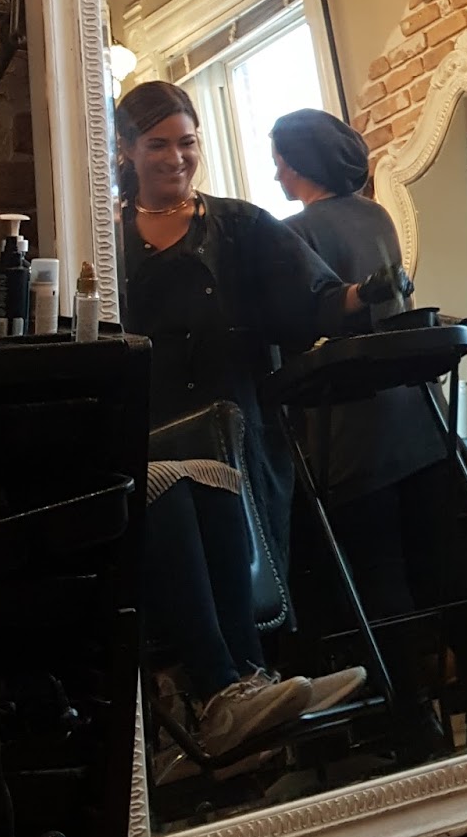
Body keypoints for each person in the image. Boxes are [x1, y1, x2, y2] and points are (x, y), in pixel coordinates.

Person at [117, 81, 374, 770]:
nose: (177, 158)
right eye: (159, 144)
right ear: (126, 149)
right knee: (173, 514)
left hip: (236, 427)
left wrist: (362, 296)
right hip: (150, 433)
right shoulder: (105, 240)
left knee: (239, 533)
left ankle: (251, 684)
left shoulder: (239, 225)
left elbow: (311, 299)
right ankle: (222, 694)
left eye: (188, 143)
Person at [271, 107, 467, 751]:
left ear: (300, 163)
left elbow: (302, 332)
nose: (276, 173)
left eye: (280, 161)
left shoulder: (293, 233)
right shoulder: (377, 218)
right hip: (419, 419)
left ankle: (415, 719)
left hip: (348, 432)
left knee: (381, 578)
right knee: (449, 564)